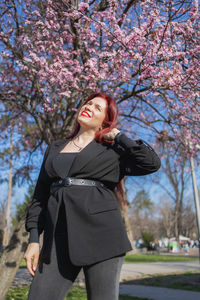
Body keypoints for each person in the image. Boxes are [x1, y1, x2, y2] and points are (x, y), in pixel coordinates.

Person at [24, 92, 161, 300]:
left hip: (103, 235)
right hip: (57, 237)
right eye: (88, 103)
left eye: (98, 108)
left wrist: (118, 136)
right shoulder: (55, 147)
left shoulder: (113, 150)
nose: (89, 107)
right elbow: (39, 196)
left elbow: (151, 163)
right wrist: (34, 239)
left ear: (104, 121)